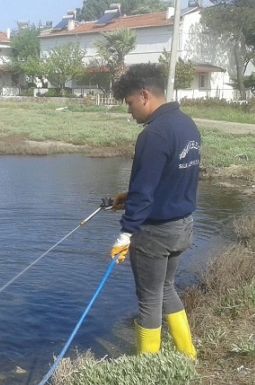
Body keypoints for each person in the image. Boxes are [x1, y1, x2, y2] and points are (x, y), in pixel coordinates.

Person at [109, 63, 200, 359]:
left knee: (149, 299)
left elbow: (146, 193)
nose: (129, 110)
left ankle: (147, 368)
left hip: (155, 233)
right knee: (166, 288)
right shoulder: (186, 124)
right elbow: (171, 178)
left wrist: (125, 235)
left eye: (130, 102)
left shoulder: (153, 135)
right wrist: (130, 195)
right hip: (182, 226)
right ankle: (187, 354)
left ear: (144, 95)